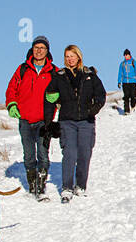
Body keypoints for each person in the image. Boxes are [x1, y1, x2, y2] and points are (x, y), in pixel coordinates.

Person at [45, 45, 106, 202]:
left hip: (86, 121)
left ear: (79, 57)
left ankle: (81, 185)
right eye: (66, 56)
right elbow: (50, 95)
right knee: (69, 154)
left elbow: (101, 94)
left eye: (72, 56)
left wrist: (94, 108)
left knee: (85, 154)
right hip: (67, 121)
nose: (69, 59)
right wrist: (49, 119)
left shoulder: (89, 75)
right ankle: (66, 187)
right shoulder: (59, 76)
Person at [5, 35, 57, 199]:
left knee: (43, 154)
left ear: (47, 51)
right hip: (25, 119)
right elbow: (11, 89)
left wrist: (58, 96)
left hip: (44, 120)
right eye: (36, 47)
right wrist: (12, 104)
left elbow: (63, 90)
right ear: (32, 50)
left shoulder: (54, 71)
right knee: (28, 155)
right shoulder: (23, 69)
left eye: (42, 48)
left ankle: (41, 186)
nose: (39, 50)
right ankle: (32, 183)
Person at [118, 49, 136, 115]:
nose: (125, 56)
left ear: (129, 55)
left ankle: (133, 105)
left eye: (126, 55)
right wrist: (119, 82)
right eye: (124, 55)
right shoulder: (122, 63)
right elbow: (120, 73)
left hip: (132, 81)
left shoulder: (134, 62)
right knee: (126, 96)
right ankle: (126, 110)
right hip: (125, 82)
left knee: (133, 95)